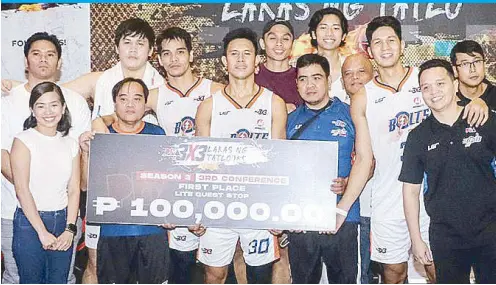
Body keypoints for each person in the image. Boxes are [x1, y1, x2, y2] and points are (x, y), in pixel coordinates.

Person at [335, 16, 488, 284]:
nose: (385, 48)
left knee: (437, 271)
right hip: (388, 198)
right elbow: (364, 159)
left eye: (391, 40)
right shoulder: (363, 97)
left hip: (433, 196)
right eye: (377, 43)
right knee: (393, 273)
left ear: (402, 44)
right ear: (369, 51)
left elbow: (459, 101)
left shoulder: (424, 78)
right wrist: (342, 209)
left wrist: (479, 103)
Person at [94, 26, 224, 284]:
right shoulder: (153, 95)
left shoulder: (215, 91)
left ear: (191, 55)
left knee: (217, 269)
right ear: (159, 58)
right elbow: (118, 114)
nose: (173, 59)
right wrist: (98, 127)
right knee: (178, 265)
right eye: (167, 53)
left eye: (180, 52)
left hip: (207, 185)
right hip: (172, 190)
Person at [194, 27, 287, 284]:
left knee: (259, 275)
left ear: (258, 60)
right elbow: (201, 165)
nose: (241, 59)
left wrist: (279, 210)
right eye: (234, 54)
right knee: (215, 274)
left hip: (259, 204)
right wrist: (197, 210)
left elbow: (280, 162)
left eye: (247, 53)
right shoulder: (209, 106)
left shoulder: (273, 103)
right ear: (224, 61)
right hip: (218, 203)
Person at [1, 32, 90, 284]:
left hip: (64, 215)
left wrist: (70, 225)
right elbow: (3, 156)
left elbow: (77, 180)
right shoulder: (7, 101)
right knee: (18, 277)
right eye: (36, 54)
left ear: (59, 62)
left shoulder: (76, 102)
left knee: (63, 278)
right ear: (26, 60)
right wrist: (30, 187)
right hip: (14, 210)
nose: (43, 60)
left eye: (50, 54)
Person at [400, 58, 496, 283]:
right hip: (446, 236)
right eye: (426, 87)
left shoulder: (484, 119)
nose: (434, 92)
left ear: (454, 85)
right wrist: (416, 239)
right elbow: (410, 191)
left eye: (440, 84)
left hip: (490, 230)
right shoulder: (418, 137)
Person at [79, 78, 170, 283]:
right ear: (114, 103)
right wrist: (86, 154)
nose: (130, 104)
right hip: (113, 231)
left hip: (152, 231)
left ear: (145, 105)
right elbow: (85, 185)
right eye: (123, 98)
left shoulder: (158, 134)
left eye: (137, 99)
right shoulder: (101, 135)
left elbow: (167, 182)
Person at [286, 53, 359, 283]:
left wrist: (348, 183)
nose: (310, 85)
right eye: (303, 79)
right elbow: (279, 170)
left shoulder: (351, 114)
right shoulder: (288, 120)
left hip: (342, 216)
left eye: (316, 77)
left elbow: (369, 162)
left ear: (328, 80)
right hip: (301, 220)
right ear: (296, 83)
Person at [9, 81, 80, 283]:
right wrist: (42, 232)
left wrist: (70, 229)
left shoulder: (70, 143)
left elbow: (74, 190)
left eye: (54, 104)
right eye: (41, 105)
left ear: (63, 107)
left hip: (63, 222)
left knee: (59, 281)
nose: (48, 112)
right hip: (30, 224)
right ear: (32, 110)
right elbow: (22, 190)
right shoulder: (23, 141)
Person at [341, 53, 375, 284]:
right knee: (357, 273)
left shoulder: (385, 104)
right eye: (348, 74)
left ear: (373, 74)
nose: (354, 78)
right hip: (351, 209)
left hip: (383, 201)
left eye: (360, 72)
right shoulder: (336, 108)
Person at [256, 18, 303, 113]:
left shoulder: (302, 75)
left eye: (285, 39)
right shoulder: (252, 76)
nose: (279, 43)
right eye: (273, 38)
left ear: (293, 45)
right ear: (262, 43)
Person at [308, 7, 348, 102]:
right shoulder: (301, 66)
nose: (329, 33)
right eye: (323, 27)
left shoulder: (351, 66)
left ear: (343, 36)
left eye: (335, 28)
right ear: (313, 34)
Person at [450, 40, 496, 110]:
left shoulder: (493, 95)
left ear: (484, 64)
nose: (473, 69)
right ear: (455, 70)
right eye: (465, 64)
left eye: (477, 61)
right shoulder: (448, 100)